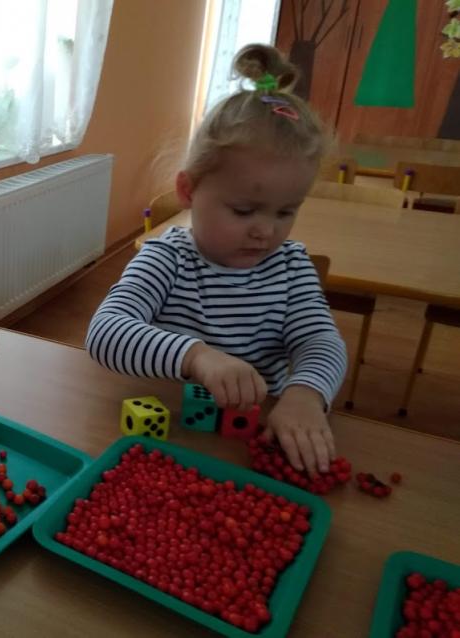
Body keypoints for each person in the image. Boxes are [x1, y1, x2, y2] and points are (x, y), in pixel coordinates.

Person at [86, 44, 346, 476]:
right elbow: (105, 333)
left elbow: (321, 341)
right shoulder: (166, 258)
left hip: (249, 442)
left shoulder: (291, 266)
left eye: (286, 212)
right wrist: (196, 356)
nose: (266, 231)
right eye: (244, 211)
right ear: (188, 191)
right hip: (167, 438)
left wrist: (306, 394)